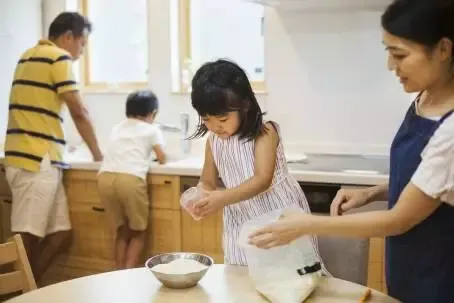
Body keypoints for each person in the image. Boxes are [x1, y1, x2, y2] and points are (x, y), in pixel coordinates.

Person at [248, 0, 454, 302]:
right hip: (409, 266)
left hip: (440, 276)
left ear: (443, 49)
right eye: (388, 52)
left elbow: (397, 219)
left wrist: (305, 225)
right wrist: (370, 193)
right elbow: (429, 181)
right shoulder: (425, 97)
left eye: (400, 54)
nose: (390, 66)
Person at [189, 59, 328, 273]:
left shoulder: (265, 132)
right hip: (240, 220)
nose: (215, 126)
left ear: (244, 105)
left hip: (278, 215)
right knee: (243, 277)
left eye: (223, 119)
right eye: (206, 119)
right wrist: (202, 196)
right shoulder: (213, 140)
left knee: (292, 277)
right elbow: (207, 181)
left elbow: (262, 179)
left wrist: (221, 198)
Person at [4, 12, 102, 281]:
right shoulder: (58, 57)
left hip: (34, 158)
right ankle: (12, 292)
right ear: (68, 37)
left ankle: (27, 287)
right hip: (35, 160)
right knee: (26, 238)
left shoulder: (27, 56)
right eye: (82, 44)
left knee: (61, 235)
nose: (81, 52)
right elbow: (78, 110)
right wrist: (98, 155)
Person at [97, 90, 166, 269]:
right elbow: (162, 157)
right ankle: (127, 276)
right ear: (153, 113)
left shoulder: (117, 127)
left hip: (105, 178)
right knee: (139, 231)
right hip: (130, 179)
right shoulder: (152, 129)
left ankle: (117, 274)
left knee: (121, 230)